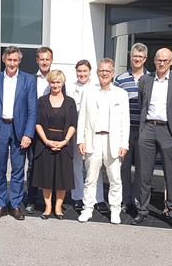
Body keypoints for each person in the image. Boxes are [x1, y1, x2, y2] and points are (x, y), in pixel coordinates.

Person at [133, 48, 172, 228]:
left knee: (170, 174)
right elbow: (141, 102)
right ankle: (142, 210)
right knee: (143, 173)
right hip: (148, 128)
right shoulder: (145, 80)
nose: (162, 63)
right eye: (159, 60)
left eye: (166, 60)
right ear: (154, 61)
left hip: (168, 130)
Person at [0, 46, 37, 221]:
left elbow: (32, 111)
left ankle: (14, 204)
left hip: (19, 130)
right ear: (4, 60)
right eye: (9, 60)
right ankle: (0, 204)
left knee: (18, 170)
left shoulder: (28, 80)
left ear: (19, 61)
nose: (12, 63)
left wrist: (28, 134)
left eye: (15, 60)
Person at [76, 58, 130, 224]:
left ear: (113, 73)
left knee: (115, 179)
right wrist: (81, 140)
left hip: (113, 141)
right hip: (93, 139)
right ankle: (87, 209)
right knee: (90, 178)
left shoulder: (121, 94)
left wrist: (124, 144)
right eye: (101, 71)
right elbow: (82, 118)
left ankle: (115, 210)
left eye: (108, 71)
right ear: (97, 73)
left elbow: (124, 121)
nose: (104, 73)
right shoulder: (88, 92)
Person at [32, 70, 78, 219]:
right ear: (49, 83)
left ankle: (58, 208)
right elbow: (37, 123)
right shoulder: (42, 100)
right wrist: (46, 141)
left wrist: (65, 141)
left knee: (62, 178)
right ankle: (48, 207)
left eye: (58, 82)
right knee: (46, 177)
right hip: (45, 143)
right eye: (53, 82)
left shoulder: (70, 102)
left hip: (64, 143)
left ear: (63, 83)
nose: (55, 85)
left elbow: (72, 124)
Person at [114, 43, 150, 213]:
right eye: (135, 56)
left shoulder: (151, 78)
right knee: (124, 168)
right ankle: (125, 200)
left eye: (140, 57)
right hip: (125, 131)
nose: (137, 59)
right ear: (131, 57)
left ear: (145, 59)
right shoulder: (120, 79)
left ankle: (138, 200)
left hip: (144, 131)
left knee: (142, 169)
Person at [68, 60, 104, 212]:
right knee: (76, 164)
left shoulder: (96, 88)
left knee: (94, 164)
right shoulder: (71, 88)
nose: (82, 74)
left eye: (85, 71)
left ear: (90, 72)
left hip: (92, 130)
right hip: (75, 130)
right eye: (79, 71)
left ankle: (98, 198)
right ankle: (78, 196)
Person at [25, 46, 54, 214]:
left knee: (50, 165)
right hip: (33, 128)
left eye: (47, 59)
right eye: (41, 59)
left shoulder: (57, 79)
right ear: (37, 61)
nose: (44, 62)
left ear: (51, 60)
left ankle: (50, 200)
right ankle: (31, 198)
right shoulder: (30, 80)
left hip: (52, 130)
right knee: (33, 165)